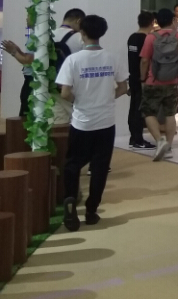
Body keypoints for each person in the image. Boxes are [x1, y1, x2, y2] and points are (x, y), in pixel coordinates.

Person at [57, 15, 129, 232]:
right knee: (99, 168)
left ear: (82, 33)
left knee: (72, 164)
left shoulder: (73, 60)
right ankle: (91, 211)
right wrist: (106, 98)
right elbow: (123, 88)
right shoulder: (112, 58)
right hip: (106, 122)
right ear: (102, 33)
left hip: (82, 123)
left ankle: (70, 199)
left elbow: (65, 92)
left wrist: (80, 101)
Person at [140, 8, 178, 161]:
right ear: (173, 20)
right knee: (170, 114)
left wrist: (143, 78)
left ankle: (159, 140)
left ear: (157, 21)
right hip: (172, 82)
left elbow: (144, 60)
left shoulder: (151, 38)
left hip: (153, 81)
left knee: (149, 113)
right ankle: (168, 147)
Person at [127, 11, 156, 150]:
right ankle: (138, 139)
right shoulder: (147, 39)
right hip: (142, 78)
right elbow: (144, 61)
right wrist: (144, 78)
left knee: (133, 108)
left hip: (132, 77)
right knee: (139, 110)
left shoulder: (132, 38)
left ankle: (134, 137)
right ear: (152, 23)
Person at [52, 8, 86, 125]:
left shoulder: (48, 35)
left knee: (57, 125)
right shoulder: (80, 38)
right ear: (78, 21)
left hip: (51, 87)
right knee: (78, 125)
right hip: (72, 90)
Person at [0, 34, 34, 117]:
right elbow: (30, 57)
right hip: (31, 80)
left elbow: (28, 60)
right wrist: (17, 50)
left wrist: (14, 52)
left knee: (26, 112)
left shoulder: (35, 35)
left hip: (32, 81)